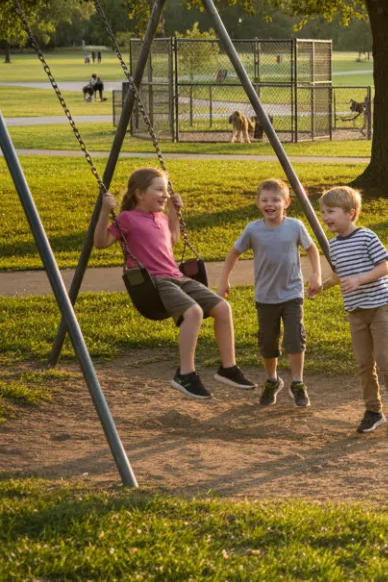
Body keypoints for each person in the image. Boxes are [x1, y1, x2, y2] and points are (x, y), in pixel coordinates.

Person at [94, 167, 255, 399]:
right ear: (140, 194)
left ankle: (228, 368)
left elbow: (173, 239)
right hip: (154, 281)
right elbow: (101, 242)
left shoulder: (160, 216)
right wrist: (103, 212)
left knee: (222, 307)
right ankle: (186, 373)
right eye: (159, 190)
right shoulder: (126, 219)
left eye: (166, 190)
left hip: (176, 277)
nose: (165, 194)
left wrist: (172, 212)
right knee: (194, 312)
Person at [218, 179, 322, 407]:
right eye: (265, 200)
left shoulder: (295, 226)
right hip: (265, 297)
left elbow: (312, 249)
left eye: (275, 199)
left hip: (292, 294)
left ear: (286, 203)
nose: (270, 203)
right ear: (258, 204)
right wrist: (224, 279)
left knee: (295, 338)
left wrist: (316, 274)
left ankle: (297, 382)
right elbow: (233, 253)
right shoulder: (253, 230)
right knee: (268, 343)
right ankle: (272, 380)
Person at [320, 186, 388, 436]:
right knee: (363, 364)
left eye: (331, 211)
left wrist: (360, 279)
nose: (326, 217)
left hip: (380, 307)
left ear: (350, 213)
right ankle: (374, 411)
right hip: (355, 311)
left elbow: (384, 268)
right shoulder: (333, 245)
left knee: (385, 361)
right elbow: (339, 274)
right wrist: (323, 286)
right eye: (323, 212)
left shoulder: (367, 237)